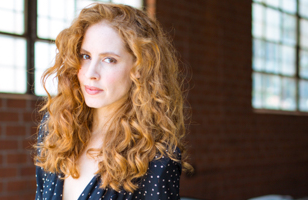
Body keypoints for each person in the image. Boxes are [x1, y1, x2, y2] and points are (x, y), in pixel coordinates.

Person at [34, 3, 191, 200]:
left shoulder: (156, 156)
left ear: (139, 68)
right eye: (85, 56)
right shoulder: (56, 127)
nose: (91, 74)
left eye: (109, 60)